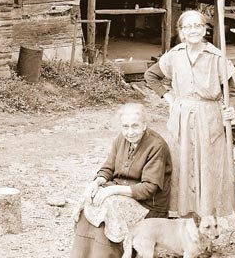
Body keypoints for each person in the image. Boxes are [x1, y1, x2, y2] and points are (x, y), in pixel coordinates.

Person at [143, 9, 235, 221]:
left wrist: (232, 108)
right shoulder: (174, 55)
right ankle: (186, 224)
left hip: (209, 119)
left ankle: (207, 222)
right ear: (181, 32)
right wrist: (169, 98)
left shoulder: (216, 57)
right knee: (182, 166)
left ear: (205, 29)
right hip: (182, 118)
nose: (193, 30)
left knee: (208, 168)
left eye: (198, 26)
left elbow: (232, 93)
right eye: (188, 27)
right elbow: (150, 76)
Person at [71, 103, 172, 258]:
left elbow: (148, 188)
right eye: (125, 126)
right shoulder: (121, 138)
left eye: (135, 126)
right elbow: (108, 167)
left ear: (144, 125)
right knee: (89, 201)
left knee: (107, 207)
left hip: (148, 205)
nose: (129, 132)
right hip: (122, 193)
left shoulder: (156, 145)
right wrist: (96, 182)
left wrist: (111, 190)